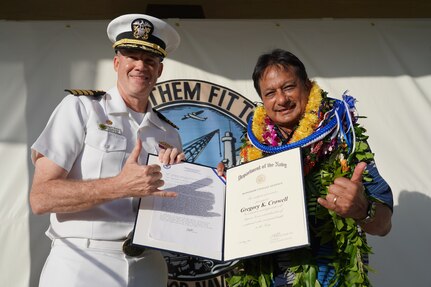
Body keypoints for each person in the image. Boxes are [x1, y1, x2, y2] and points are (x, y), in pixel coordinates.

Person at [30, 14, 185, 287]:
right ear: (116, 63)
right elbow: (41, 197)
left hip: (148, 266)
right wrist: (120, 186)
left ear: (160, 70)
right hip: (82, 263)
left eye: (150, 60)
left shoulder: (169, 133)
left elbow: (169, 209)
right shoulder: (81, 108)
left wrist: (190, 184)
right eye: (132, 56)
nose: (140, 66)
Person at [221, 49, 393, 287]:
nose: (281, 100)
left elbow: (384, 225)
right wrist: (224, 193)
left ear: (307, 85)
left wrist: (363, 210)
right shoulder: (252, 147)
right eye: (270, 93)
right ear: (262, 101)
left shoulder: (342, 136)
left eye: (289, 87)